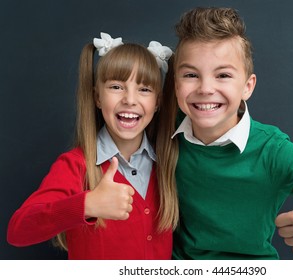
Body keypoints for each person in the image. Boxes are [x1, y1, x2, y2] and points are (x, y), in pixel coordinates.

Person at [161, 7, 293, 259]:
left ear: (247, 86)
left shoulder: (272, 150)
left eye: (223, 75)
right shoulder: (162, 129)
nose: (206, 88)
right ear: (176, 84)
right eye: (191, 75)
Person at [7, 32, 178, 259]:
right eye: (116, 87)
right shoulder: (76, 165)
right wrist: (87, 205)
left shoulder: (169, 162)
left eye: (144, 89)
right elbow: (18, 231)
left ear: (157, 103)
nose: (129, 99)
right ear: (97, 98)